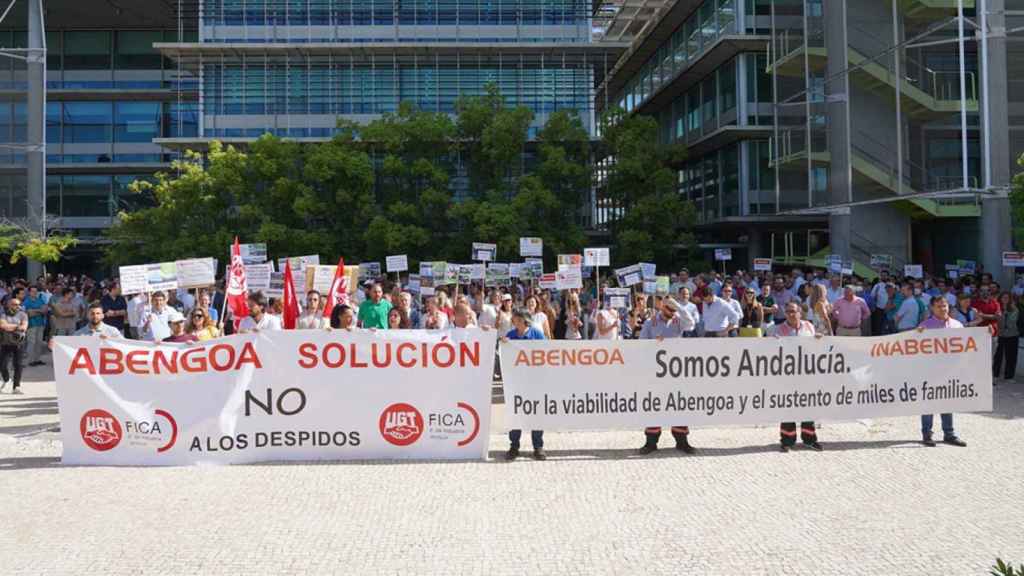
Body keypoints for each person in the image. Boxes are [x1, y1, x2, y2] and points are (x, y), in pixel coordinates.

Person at [638, 297, 694, 455]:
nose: (672, 313)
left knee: (678, 404)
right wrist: (653, 344)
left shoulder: (678, 320)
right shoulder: (650, 322)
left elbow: (691, 324)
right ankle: (651, 442)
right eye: (670, 310)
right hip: (656, 371)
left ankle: (681, 441)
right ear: (662, 308)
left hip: (675, 370)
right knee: (654, 404)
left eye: (674, 310)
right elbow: (641, 343)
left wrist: (678, 306)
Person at [769, 301, 823, 452]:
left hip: (807, 373)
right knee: (788, 407)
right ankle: (787, 440)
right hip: (788, 375)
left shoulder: (809, 326)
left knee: (808, 406)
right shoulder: (779, 329)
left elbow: (815, 346)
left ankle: (809, 439)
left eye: (793, 311)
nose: (791, 314)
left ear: (800, 312)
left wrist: (818, 340)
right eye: (788, 312)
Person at [916, 296, 968, 447]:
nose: (943, 309)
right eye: (939, 306)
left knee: (947, 402)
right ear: (932, 308)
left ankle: (949, 434)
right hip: (929, 370)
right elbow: (914, 347)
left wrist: (986, 333)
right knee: (928, 402)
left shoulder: (957, 325)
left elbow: (966, 344)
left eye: (944, 306)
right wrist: (916, 334)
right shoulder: (925, 326)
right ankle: (927, 433)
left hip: (950, 370)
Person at [502, 308, 546, 461]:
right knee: (516, 413)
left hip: (534, 381)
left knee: (536, 414)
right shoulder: (511, 335)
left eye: (517, 319)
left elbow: (546, 352)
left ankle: (538, 446)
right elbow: (503, 353)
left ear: (524, 320)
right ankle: (514, 446)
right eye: (514, 319)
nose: (515, 322)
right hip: (515, 381)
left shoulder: (536, 334)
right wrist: (503, 343)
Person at [0, 296, 28, 394]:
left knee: (18, 365)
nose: (16, 306)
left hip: (18, 343)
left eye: (18, 304)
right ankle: (7, 379)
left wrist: (11, 327)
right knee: (2, 364)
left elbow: (24, 327)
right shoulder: (3, 314)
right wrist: (17, 326)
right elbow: (3, 326)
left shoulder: (23, 315)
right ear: (9, 305)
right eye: (14, 304)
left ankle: (16, 386)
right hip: (5, 342)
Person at [992, 291, 1019, 384]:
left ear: (1010, 299)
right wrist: (999, 316)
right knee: (998, 356)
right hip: (1000, 335)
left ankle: (1009, 376)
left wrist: (1002, 315)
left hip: (1012, 335)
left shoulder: (1014, 309)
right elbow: (996, 320)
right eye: (1003, 297)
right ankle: (995, 375)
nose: (1005, 299)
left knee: (1011, 356)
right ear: (1000, 298)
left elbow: (1011, 322)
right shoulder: (997, 308)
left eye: (1007, 298)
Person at [23, 285, 48, 366]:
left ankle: (37, 359)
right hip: (31, 324)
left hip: (40, 324)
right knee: (31, 343)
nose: (34, 292)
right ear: (29, 292)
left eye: (36, 291)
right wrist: (39, 310)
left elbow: (45, 311)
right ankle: (30, 361)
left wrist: (34, 311)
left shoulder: (40, 300)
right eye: (33, 291)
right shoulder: (26, 301)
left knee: (39, 342)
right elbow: (28, 314)